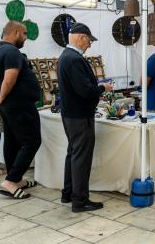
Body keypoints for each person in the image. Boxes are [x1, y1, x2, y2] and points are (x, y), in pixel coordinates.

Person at [58, 23, 113, 212]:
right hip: (80, 116)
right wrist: (102, 88)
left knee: (73, 154)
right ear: (81, 37)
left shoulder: (67, 56)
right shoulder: (73, 59)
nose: (89, 45)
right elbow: (84, 90)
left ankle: (68, 193)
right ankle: (80, 201)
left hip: (71, 114)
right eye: (89, 40)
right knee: (81, 158)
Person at [0, 21, 41, 199]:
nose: (25, 38)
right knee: (32, 142)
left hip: (9, 106)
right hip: (19, 106)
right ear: (16, 32)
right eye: (24, 34)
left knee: (12, 142)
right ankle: (11, 180)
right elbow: (9, 78)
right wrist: (1, 95)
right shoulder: (11, 51)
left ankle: (16, 179)